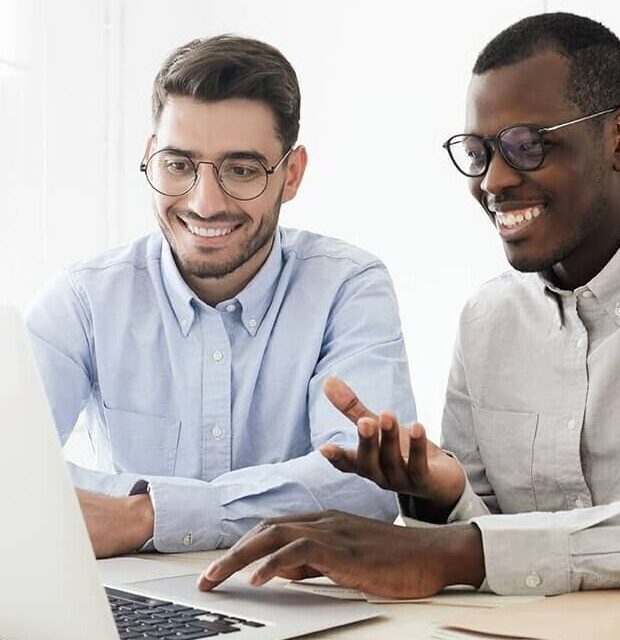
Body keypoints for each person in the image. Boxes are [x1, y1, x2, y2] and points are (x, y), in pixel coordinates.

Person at [197, 13, 620, 597]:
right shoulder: (488, 320)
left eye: (526, 146)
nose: (492, 181)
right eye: (478, 151)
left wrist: (459, 551)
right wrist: (439, 497)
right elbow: (490, 538)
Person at [26, 35, 416, 558]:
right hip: (131, 600)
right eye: (178, 164)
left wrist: (144, 515)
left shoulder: (348, 288)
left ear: (292, 174)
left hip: (295, 601)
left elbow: (367, 484)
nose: (205, 204)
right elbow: (14, 472)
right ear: (148, 157)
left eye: (242, 170)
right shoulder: (83, 299)